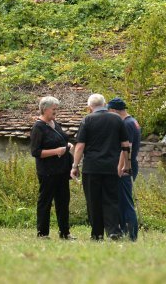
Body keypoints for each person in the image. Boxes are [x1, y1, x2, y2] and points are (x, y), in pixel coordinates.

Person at [70, 93, 131, 241]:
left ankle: (97, 234)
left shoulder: (87, 120)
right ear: (104, 104)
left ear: (90, 106)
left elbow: (80, 146)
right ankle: (113, 231)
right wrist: (126, 165)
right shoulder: (117, 119)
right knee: (111, 199)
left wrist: (74, 166)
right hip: (112, 166)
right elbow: (125, 145)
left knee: (93, 200)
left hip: (92, 167)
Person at [29, 96, 74, 240]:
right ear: (45, 109)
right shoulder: (38, 127)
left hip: (62, 170)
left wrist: (68, 146)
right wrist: (56, 151)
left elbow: (63, 140)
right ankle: (42, 233)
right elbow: (35, 152)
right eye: (54, 109)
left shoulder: (55, 123)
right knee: (45, 202)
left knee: (63, 202)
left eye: (57, 108)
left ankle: (65, 233)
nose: (56, 111)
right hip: (47, 172)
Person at [108, 97, 141, 241]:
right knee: (123, 200)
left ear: (114, 111)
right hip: (131, 163)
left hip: (126, 165)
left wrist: (122, 167)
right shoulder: (132, 121)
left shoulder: (126, 124)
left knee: (125, 201)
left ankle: (131, 235)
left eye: (110, 111)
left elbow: (126, 147)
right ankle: (126, 232)